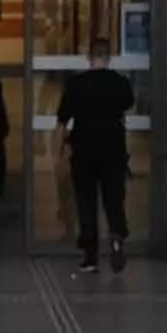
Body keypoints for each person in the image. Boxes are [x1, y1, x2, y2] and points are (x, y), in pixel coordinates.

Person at [58, 53, 134, 276]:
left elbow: (63, 118)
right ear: (108, 58)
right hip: (113, 150)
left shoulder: (77, 84)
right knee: (114, 199)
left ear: (89, 58)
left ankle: (90, 257)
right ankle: (117, 235)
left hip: (84, 151)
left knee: (86, 202)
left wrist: (59, 150)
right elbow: (128, 104)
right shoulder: (120, 83)